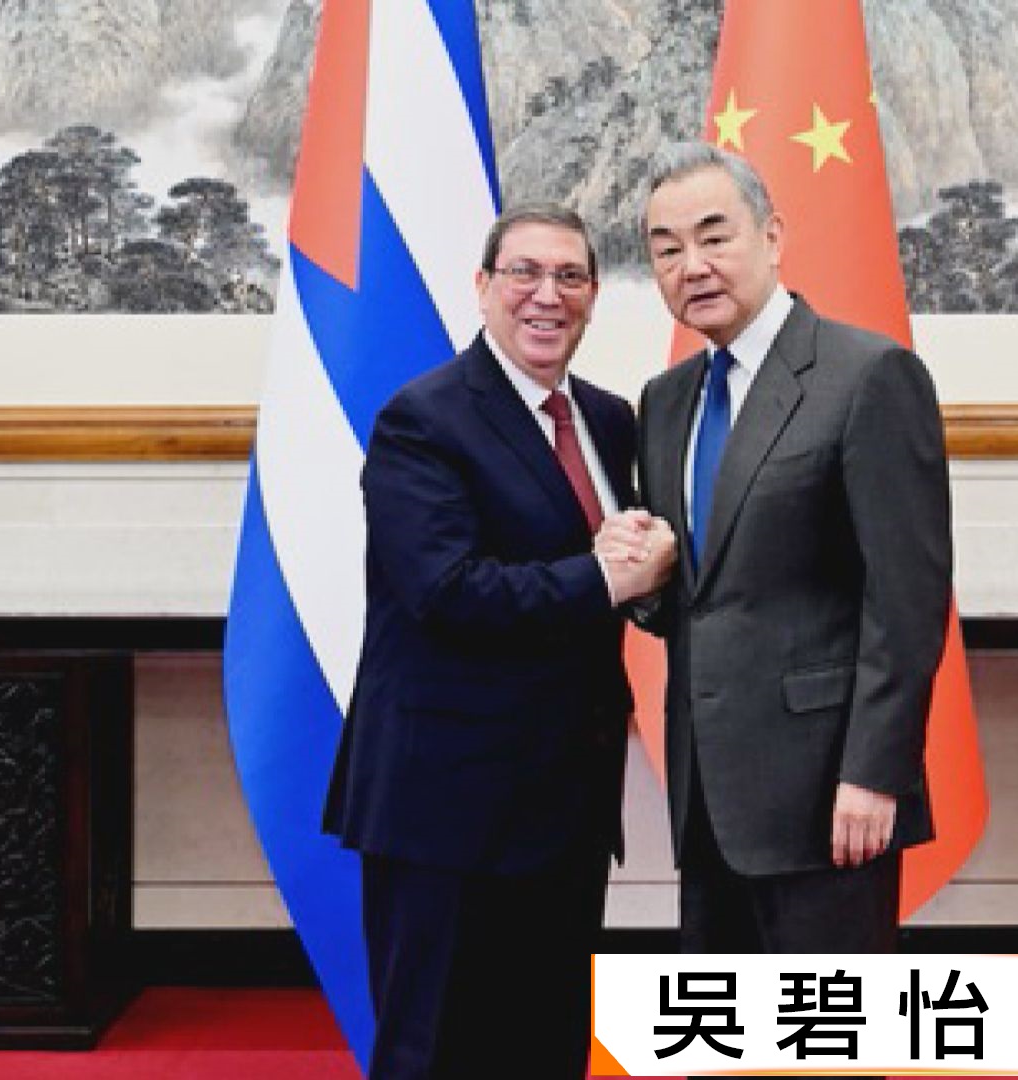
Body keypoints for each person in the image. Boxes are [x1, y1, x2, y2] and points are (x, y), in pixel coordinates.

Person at [323, 204, 677, 1080]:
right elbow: (446, 592)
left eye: (570, 276)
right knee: (436, 1051)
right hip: (445, 809)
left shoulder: (609, 420)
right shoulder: (423, 419)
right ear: (483, 287)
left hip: (564, 807)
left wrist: (650, 579)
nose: (546, 295)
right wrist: (607, 579)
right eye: (524, 272)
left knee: (545, 1047)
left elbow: (625, 569)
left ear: (594, 295)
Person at [604, 142, 952, 956]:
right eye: (666, 249)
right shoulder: (666, 402)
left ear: (772, 236)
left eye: (714, 236)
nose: (692, 266)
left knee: (823, 1022)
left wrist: (875, 773)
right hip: (707, 797)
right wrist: (641, 579)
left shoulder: (868, 375)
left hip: (829, 797)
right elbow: (696, 596)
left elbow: (905, 600)